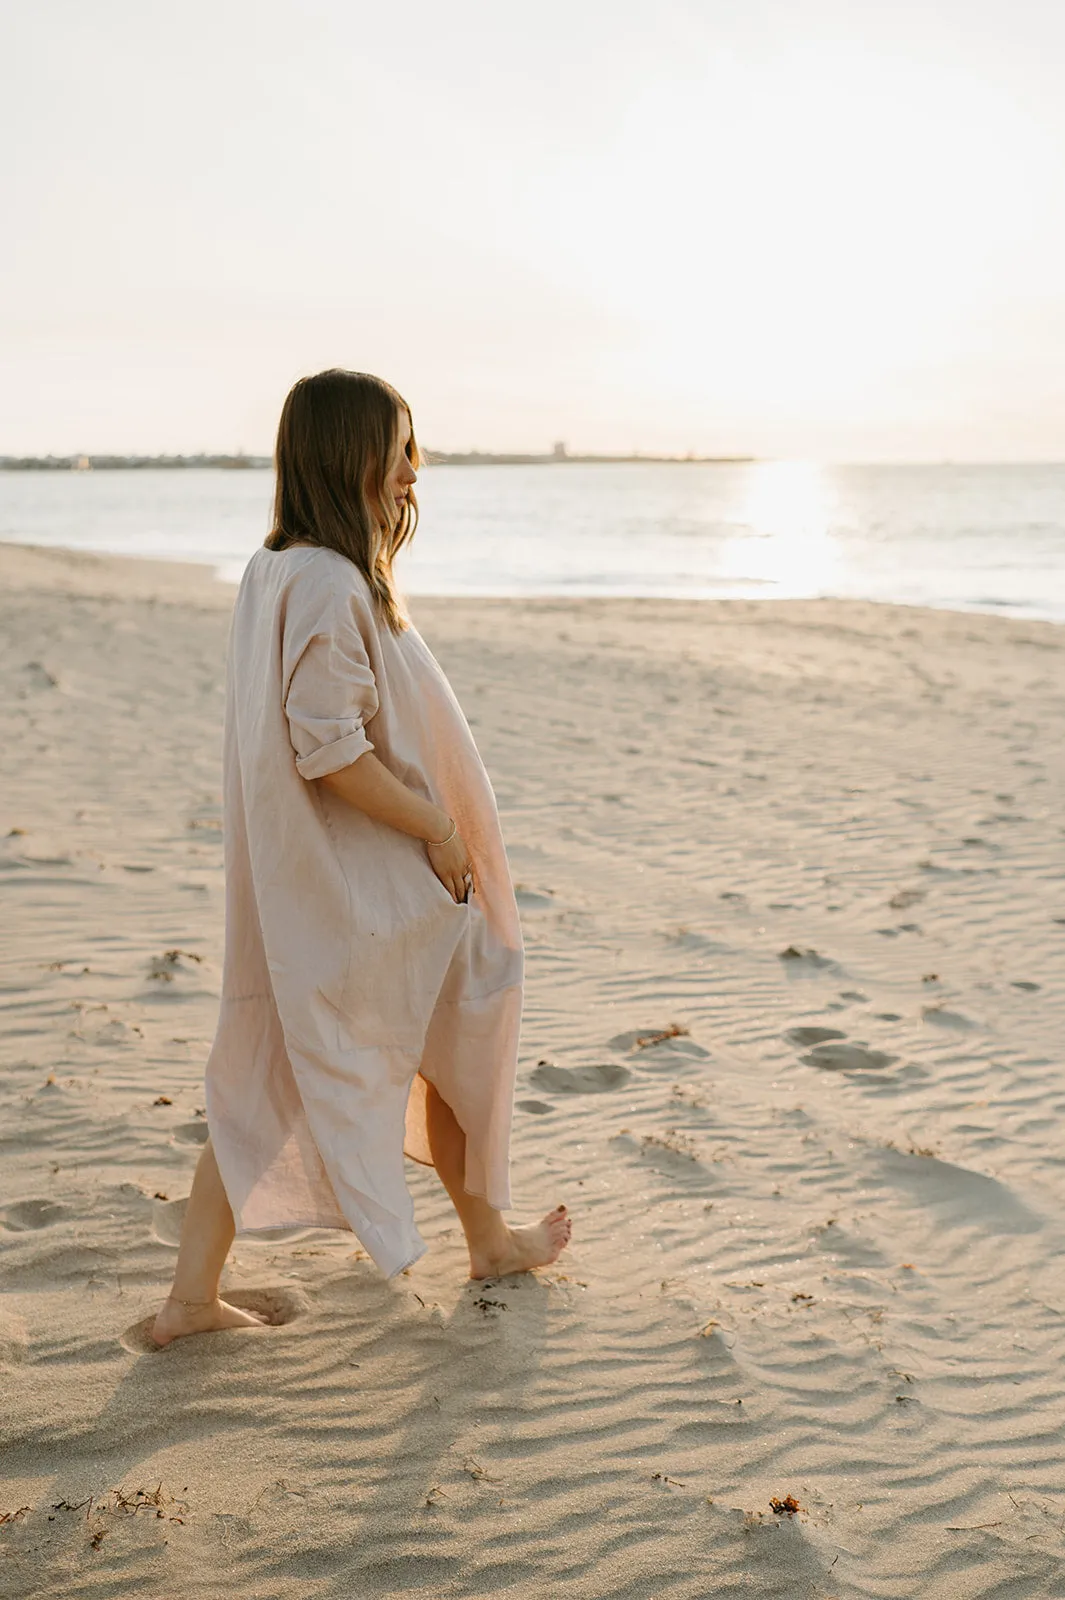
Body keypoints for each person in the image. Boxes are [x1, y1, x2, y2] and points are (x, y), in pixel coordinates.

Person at [151, 369, 571, 1348]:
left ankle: (193, 1299)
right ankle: (487, 1240)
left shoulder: (278, 569)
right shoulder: (331, 582)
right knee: (464, 1013)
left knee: (271, 1071)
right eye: (402, 452)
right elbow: (326, 745)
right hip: (365, 882)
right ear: (355, 461)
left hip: (318, 883)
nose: (416, 473)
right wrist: (436, 826)